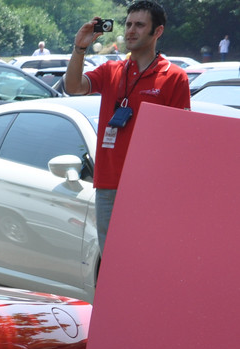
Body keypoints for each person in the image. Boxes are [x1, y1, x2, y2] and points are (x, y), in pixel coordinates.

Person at [64, 0, 189, 256]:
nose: (131, 31)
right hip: (109, 184)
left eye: (140, 25)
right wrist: (79, 48)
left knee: (148, 259)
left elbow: (180, 140)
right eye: (128, 24)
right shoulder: (112, 70)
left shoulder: (174, 76)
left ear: (158, 31)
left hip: (150, 187)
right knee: (112, 261)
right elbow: (73, 87)